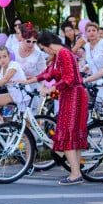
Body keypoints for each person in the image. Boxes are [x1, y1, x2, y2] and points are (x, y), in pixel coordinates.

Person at [27, 31, 88, 185]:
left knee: (67, 131)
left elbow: (69, 78)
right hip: (70, 94)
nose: (44, 51)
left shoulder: (63, 54)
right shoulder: (59, 55)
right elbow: (49, 73)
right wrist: (29, 81)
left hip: (73, 94)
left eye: (43, 48)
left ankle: (75, 174)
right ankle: (76, 171)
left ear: (47, 45)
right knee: (71, 132)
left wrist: (51, 88)